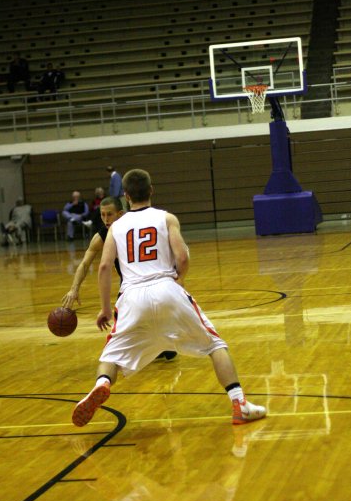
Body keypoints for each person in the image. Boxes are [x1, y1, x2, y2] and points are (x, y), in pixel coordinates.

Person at [72, 168, 266, 428]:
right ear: (151, 190)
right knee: (214, 345)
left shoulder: (117, 226)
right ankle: (239, 404)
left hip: (131, 296)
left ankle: (102, 384)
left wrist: (105, 309)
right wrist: (178, 279)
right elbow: (182, 256)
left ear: (126, 196)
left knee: (112, 355)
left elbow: (105, 267)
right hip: (166, 287)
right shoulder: (166, 218)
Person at [61, 196, 176, 362]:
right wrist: (74, 289)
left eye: (109, 215)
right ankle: (156, 344)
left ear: (120, 214)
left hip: (154, 279)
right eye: (102, 215)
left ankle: (116, 364)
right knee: (132, 323)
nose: (106, 219)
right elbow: (85, 263)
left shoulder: (139, 225)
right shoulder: (102, 235)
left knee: (130, 324)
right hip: (131, 285)